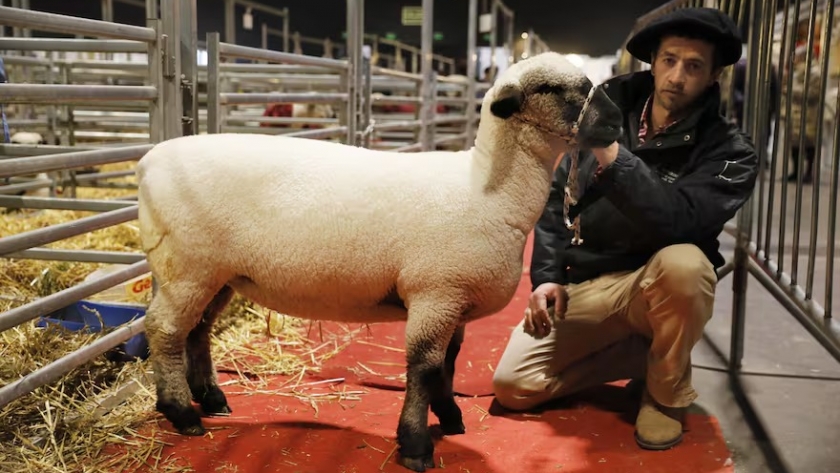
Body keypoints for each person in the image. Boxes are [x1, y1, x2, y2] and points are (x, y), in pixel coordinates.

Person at [491, 7, 759, 451]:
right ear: (653, 61)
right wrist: (548, 277)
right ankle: (648, 358)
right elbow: (561, 197)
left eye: (694, 66)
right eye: (669, 60)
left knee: (686, 265)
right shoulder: (608, 107)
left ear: (714, 76)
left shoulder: (730, 150)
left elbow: (679, 222)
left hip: (651, 285)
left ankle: (663, 395)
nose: (677, 76)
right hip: (589, 281)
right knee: (515, 386)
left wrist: (612, 152)